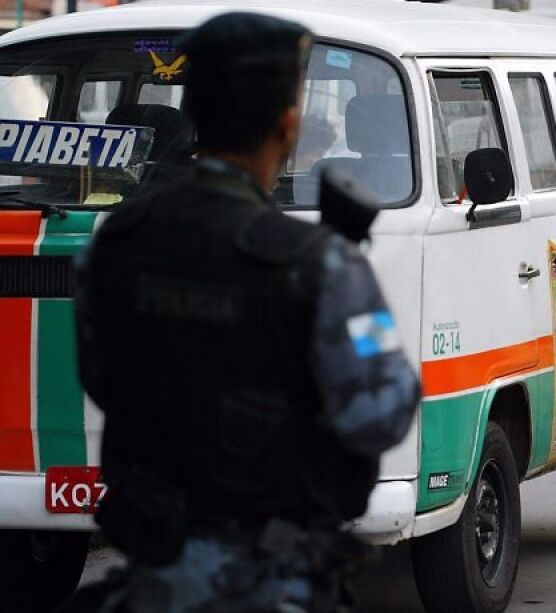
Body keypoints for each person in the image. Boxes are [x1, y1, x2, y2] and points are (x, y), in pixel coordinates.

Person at [70, 12, 419, 612]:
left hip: (154, 573)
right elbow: (381, 411)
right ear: (288, 122)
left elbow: (100, 373)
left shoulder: (118, 241)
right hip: (271, 577)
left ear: (195, 112)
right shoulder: (322, 264)